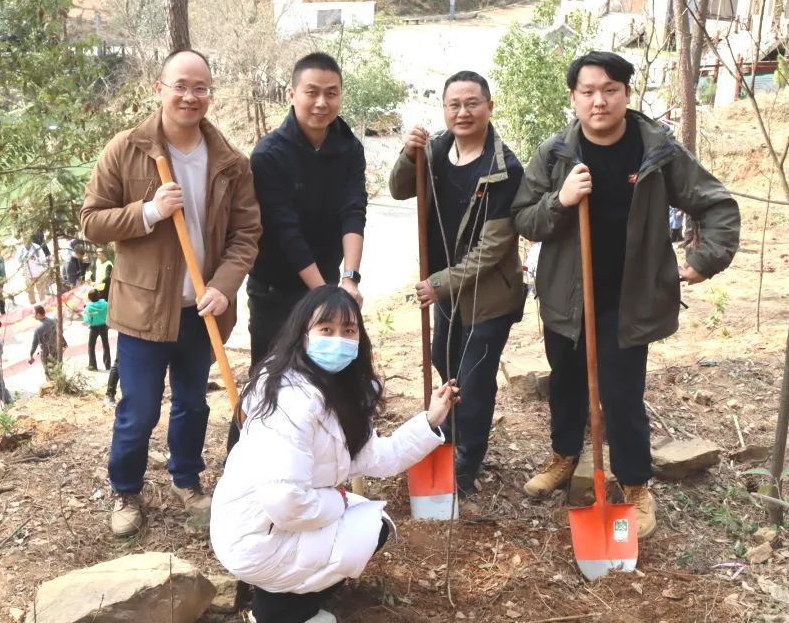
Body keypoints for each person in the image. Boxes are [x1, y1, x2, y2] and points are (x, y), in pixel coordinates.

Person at [511, 51, 740, 539]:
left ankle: (635, 484)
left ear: (626, 94)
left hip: (630, 297)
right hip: (566, 296)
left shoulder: (657, 151)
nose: (599, 101)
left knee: (621, 394)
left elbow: (716, 204)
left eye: (610, 90)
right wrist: (561, 200)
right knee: (566, 383)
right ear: (574, 97)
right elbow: (525, 219)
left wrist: (703, 260)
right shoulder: (555, 154)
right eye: (588, 91)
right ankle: (564, 456)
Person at [79, 48, 261, 538]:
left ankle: (186, 480)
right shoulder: (126, 149)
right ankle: (125, 490)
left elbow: (247, 234)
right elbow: (91, 221)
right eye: (180, 85)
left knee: (193, 404)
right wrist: (149, 212)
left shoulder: (230, 162)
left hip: (201, 309)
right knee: (138, 409)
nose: (190, 96)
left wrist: (224, 287)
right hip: (143, 308)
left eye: (200, 88)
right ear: (159, 89)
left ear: (210, 94)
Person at [210, 286, 459, 623]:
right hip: (257, 533)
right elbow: (286, 502)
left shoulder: (334, 390)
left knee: (373, 524)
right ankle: (277, 612)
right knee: (366, 527)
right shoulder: (290, 401)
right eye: (325, 329)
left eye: (348, 330)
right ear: (302, 334)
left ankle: (285, 597)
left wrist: (430, 420)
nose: (338, 340)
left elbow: (380, 457)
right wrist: (337, 500)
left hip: (276, 524)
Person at [388, 70, 525, 495]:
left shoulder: (504, 168)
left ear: (489, 107)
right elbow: (398, 189)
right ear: (445, 109)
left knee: (474, 379)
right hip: (446, 290)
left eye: (472, 103)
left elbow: (494, 247)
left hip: (489, 296)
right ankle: (449, 436)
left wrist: (440, 283)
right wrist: (408, 154)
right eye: (454, 105)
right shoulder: (434, 150)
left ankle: (466, 461)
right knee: (444, 361)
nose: (463, 112)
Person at [247, 52, 367, 368]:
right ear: (292, 94)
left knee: (327, 376)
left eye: (331, 93)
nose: (321, 103)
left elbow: (353, 211)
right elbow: (286, 231)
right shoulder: (269, 155)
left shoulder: (349, 148)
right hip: (275, 290)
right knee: (272, 377)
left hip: (327, 280)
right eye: (311, 92)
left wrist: (349, 280)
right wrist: (326, 297)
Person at [27, 305, 62, 378]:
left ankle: (52, 382)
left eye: (34, 314)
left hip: (47, 353)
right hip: (57, 349)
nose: (33, 316)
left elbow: (34, 344)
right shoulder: (53, 320)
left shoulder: (39, 328)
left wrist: (31, 355)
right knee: (58, 369)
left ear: (38, 314)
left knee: (49, 373)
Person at [83, 288, 111, 372]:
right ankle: (108, 365)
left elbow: (87, 320)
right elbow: (109, 313)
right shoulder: (105, 304)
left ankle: (93, 366)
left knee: (91, 346)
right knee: (106, 345)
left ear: (89, 298)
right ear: (99, 295)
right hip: (104, 326)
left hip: (94, 328)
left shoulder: (88, 307)